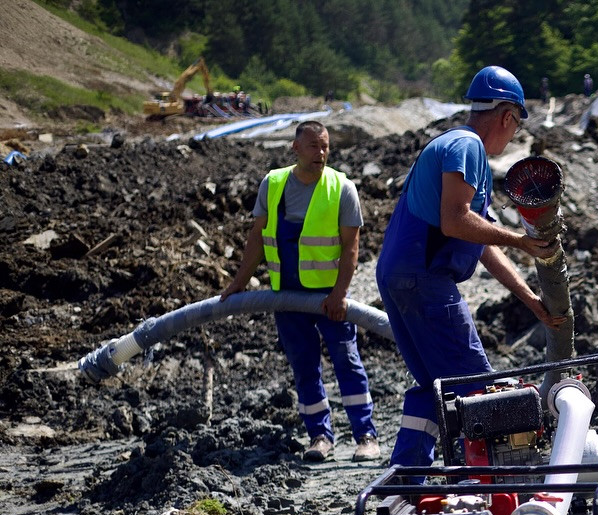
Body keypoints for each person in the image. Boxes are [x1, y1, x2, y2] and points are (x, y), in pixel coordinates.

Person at [375, 65, 563, 472]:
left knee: (434, 388)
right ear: (506, 115)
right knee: (478, 386)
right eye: (515, 125)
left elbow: (480, 240)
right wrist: (521, 240)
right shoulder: (466, 146)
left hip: (399, 276)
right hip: (424, 279)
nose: (513, 134)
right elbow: (455, 222)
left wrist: (530, 298)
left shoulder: (458, 150)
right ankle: (494, 482)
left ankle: (405, 480)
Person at [221, 120, 381, 463]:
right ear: (295, 148)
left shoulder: (342, 188)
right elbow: (257, 240)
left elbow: (351, 248)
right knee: (304, 366)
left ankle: (365, 435)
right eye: (313, 146)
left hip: (329, 298)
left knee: (346, 362)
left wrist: (340, 294)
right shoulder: (274, 184)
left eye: (325, 147)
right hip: (288, 296)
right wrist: (239, 282)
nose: (320, 153)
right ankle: (320, 436)